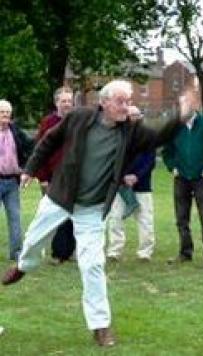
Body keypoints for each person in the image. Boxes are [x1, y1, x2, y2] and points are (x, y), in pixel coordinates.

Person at [2, 80, 182, 347]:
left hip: (92, 208)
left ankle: (100, 325)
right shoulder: (79, 118)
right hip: (60, 197)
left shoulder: (131, 131)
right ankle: (23, 266)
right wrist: (30, 168)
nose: (126, 106)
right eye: (120, 101)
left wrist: (183, 112)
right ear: (104, 103)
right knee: (31, 242)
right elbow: (49, 140)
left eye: (129, 100)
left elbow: (159, 137)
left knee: (93, 264)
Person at [162, 92, 203, 267]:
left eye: (187, 104)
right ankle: (185, 253)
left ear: (195, 105)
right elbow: (167, 150)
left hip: (201, 178)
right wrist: (172, 166)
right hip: (181, 178)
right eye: (181, 104)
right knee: (181, 217)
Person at [107, 106, 156, 262]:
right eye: (130, 115)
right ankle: (114, 251)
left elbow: (150, 161)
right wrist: (123, 177)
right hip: (120, 186)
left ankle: (145, 252)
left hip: (142, 185)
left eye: (136, 115)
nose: (133, 118)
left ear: (141, 117)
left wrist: (136, 176)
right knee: (115, 218)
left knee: (145, 219)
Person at [35, 87, 76, 264]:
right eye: (63, 101)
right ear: (56, 102)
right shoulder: (48, 123)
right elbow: (39, 151)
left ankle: (72, 251)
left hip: (74, 177)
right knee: (56, 215)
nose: (67, 104)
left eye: (69, 101)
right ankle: (58, 253)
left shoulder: (78, 121)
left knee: (74, 215)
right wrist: (42, 177)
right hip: (53, 177)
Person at [0, 99, 33, 261]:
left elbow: (31, 146)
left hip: (12, 182)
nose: (5, 115)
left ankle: (16, 252)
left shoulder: (15, 131)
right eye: (2, 112)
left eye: (8, 112)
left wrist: (26, 167)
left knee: (15, 218)